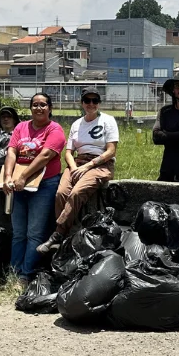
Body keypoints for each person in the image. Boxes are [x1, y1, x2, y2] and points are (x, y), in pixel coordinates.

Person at [37, 88, 119, 253]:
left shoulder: (108, 121)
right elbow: (68, 152)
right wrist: (74, 167)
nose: (91, 104)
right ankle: (67, 237)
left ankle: (58, 234)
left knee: (76, 193)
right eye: (87, 100)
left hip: (100, 164)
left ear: (99, 103)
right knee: (61, 193)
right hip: (78, 162)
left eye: (94, 101)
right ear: (82, 103)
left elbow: (111, 150)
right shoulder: (77, 124)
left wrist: (88, 166)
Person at [2, 93, 66, 278]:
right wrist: (8, 177)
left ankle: (26, 275)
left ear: (50, 108)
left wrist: (23, 176)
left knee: (34, 233)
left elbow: (45, 156)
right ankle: (13, 272)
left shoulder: (55, 129)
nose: (39, 108)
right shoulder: (21, 127)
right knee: (18, 233)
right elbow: (12, 151)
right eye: (35, 104)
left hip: (44, 185)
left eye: (43, 105)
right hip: (18, 185)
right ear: (30, 108)